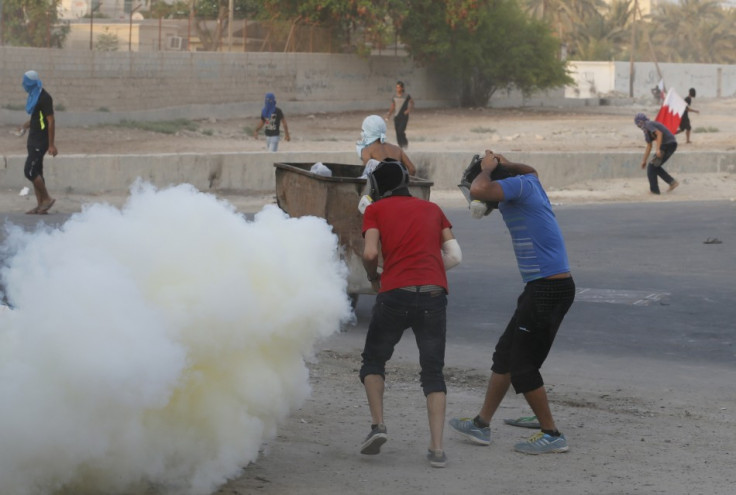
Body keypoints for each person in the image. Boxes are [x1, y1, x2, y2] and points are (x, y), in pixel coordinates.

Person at [448, 150, 575, 455]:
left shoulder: (520, 187)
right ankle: (481, 423)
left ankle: (551, 433)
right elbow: (529, 170)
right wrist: (499, 166)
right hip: (540, 286)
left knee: (522, 365)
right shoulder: (516, 190)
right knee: (505, 354)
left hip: (548, 287)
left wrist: (488, 169)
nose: (475, 199)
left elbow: (481, 188)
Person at [359, 159, 461, 468]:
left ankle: (378, 426)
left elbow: (371, 253)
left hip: (394, 296)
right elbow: (455, 256)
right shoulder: (433, 210)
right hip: (433, 295)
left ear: (377, 188)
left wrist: (373, 277)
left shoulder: (374, 210)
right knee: (433, 372)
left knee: (374, 361)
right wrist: (426, 270)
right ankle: (437, 449)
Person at [17, 70, 57, 215]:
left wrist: (51, 144)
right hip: (33, 139)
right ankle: (41, 205)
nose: (24, 85)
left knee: (30, 171)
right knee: (37, 171)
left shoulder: (44, 97)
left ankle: (46, 198)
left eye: (25, 82)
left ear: (31, 83)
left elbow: (50, 121)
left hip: (41, 141)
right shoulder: (34, 96)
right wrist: (24, 126)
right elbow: (36, 119)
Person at [634, 113, 679, 194]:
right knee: (654, 166)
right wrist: (644, 160)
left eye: (638, 124)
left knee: (651, 167)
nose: (639, 127)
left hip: (667, 144)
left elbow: (659, 133)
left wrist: (658, 150)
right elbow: (649, 146)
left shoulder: (648, 124)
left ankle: (655, 191)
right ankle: (672, 182)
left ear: (641, 122)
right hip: (670, 144)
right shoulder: (647, 131)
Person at [384, 81, 413, 149]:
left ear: (402, 88)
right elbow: (393, 106)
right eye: (397, 87)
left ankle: (405, 144)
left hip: (404, 116)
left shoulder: (406, 96)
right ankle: (401, 147)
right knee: (397, 133)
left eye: (399, 87)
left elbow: (412, 103)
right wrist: (389, 114)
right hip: (397, 117)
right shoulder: (394, 96)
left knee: (401, 131)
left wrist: (408, 110)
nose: (397, 89)